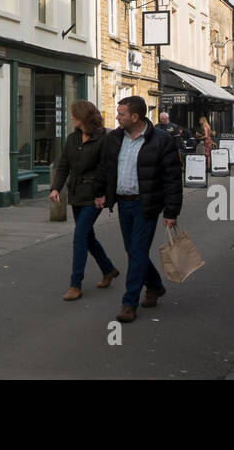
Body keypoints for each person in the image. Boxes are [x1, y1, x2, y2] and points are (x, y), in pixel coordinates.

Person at [94, 95, 182, 323]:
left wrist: (171, 212)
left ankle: (128, 303)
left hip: (147, 203)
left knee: (138, 252)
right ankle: (154, 285)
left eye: (121, 114)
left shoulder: (161, 140)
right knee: (133, 250)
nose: (116, 117)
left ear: (135, 116)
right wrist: (100, 192)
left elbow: (172, 179)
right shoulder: (114, 138)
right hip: (123, 203)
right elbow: (105, 168)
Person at [49, 101, 118, 301]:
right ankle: (108, 269)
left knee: (79, 236)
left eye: (74, 115)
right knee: (88, 237)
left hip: (94, 196)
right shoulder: (72, 139)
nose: (71, 118)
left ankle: (75, 284)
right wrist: (56, 188)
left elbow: (108, 169)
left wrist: (104, 194)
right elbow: (63, 166)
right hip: (76, 193)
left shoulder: (104, 139)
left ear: (84, 118)